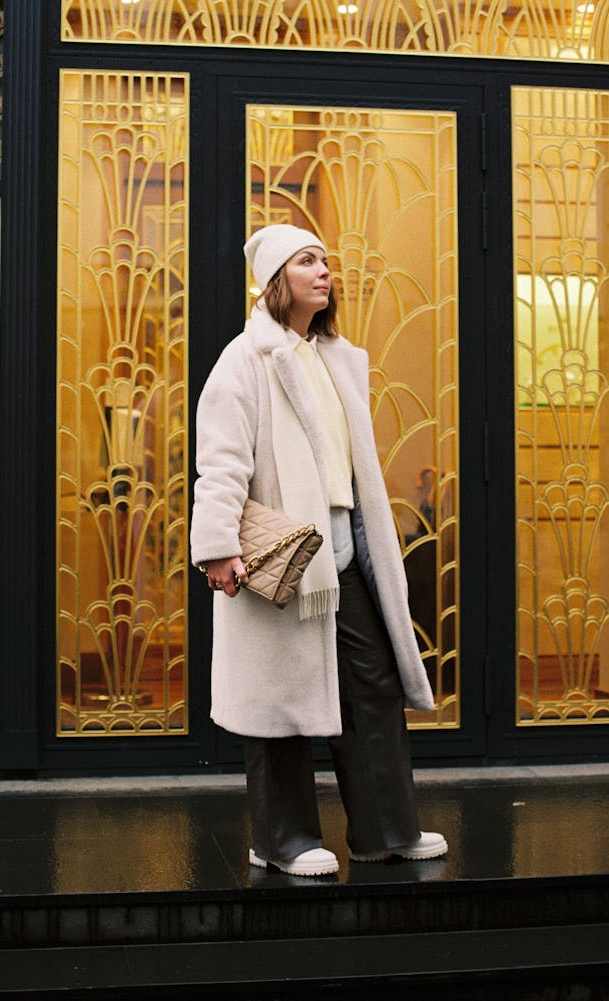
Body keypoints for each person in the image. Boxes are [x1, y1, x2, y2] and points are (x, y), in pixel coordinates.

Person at [190, 224, 447, 877]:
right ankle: (280, 840)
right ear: (276, 279)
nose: (323, 270)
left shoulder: (336, 357)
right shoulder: (243, 360)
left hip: (344, 546)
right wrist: (218, 547)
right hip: (283, 552)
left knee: (374, 684)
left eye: (325, 259)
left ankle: (388, 828)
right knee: (278, 696)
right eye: (307, 261)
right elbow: (219, 464)